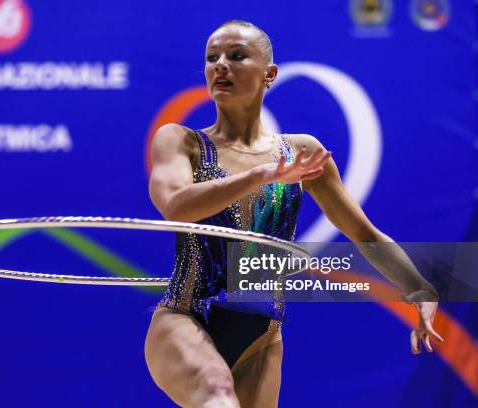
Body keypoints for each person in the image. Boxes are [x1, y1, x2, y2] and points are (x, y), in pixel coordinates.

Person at [144, 20, 443, 408]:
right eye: (211, 58)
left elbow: (363, 233)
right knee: (217, 395)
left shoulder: (300, 152)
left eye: (236, 56)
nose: (220, 65)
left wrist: (420, 287)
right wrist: (261, 175)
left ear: (270, 74)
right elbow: (174, 206)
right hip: (185, 316)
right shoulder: (181, 141)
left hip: (262, 332)